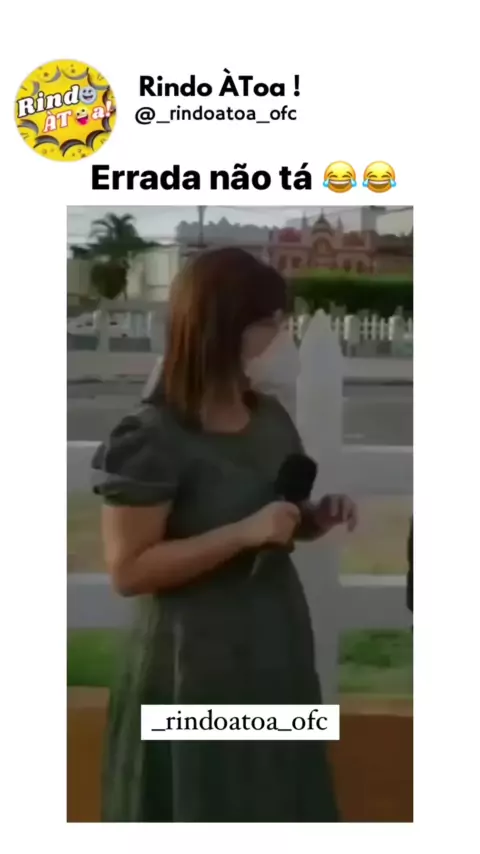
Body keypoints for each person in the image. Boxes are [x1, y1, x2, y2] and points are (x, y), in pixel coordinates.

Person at [92, 247, 357, 823]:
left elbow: (275, 519)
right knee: (202, 803)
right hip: (191, 665)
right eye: (271, 323)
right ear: (225, 329)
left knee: (276, 797)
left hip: (275, 649)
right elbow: (129, 570)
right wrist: (242, 534)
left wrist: (314, 517)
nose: (281, 337)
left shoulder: (270, 419)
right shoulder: (151, 436)